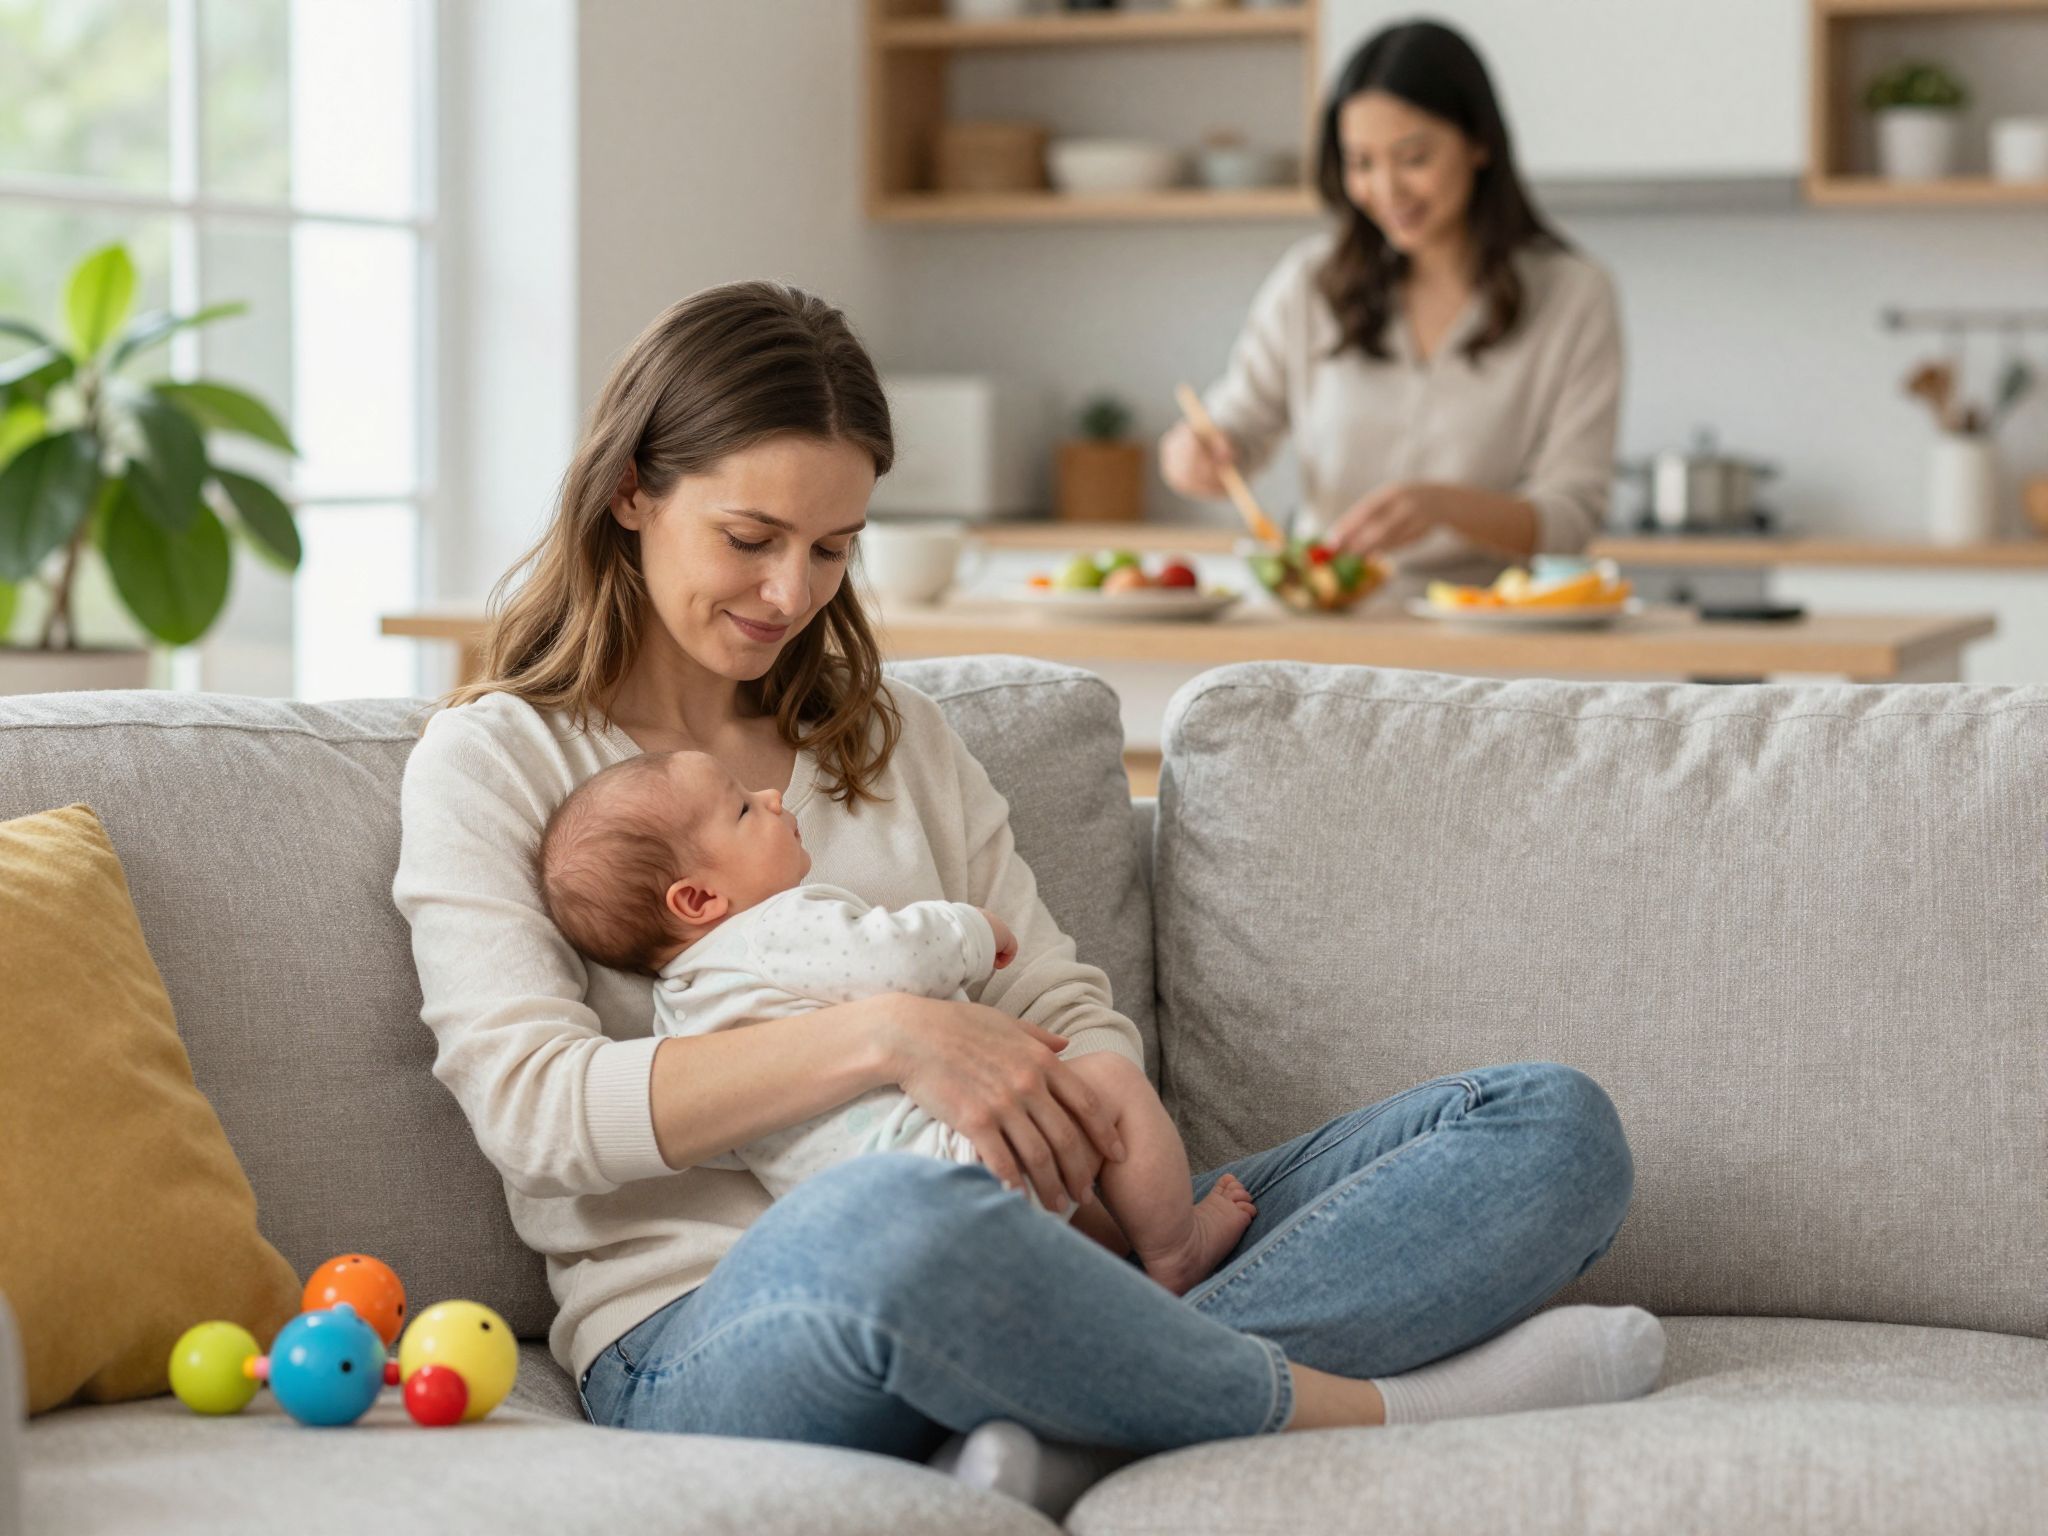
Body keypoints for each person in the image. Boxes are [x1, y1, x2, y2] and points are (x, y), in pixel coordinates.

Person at [391, 278, 1660, 1510]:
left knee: (1545, 1128)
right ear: (631, 491)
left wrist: (1110, 1117)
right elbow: (536, 1110)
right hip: (723, 1323)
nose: (792, 594)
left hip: (1047, 1249)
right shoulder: (500, 758)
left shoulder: (894, 738)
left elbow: (1052, 995)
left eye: (833, 548)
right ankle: (1355, 1410)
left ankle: (1074, 1415)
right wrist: (890, 1036)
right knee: (899, 1222)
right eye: (750, 539)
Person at [530, 745, 1261, 1295]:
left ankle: (1118, 1281)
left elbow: (725, 1146)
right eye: (743, 810)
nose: (771, 797)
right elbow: (896, 957)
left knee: (1076, 1191)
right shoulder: (776, 928)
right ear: (698, 900)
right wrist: (972, 930)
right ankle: (1177, 1252)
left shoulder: (682, 1019)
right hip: (954, 1167)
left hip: (874, 1234)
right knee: (1107, 1087)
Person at [1160, 19, 1625, 592]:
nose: (1386, 190)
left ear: (1479, 142)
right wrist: (1195, 455)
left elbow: (1570, 521)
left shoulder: (1573, 296)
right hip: (1329, 618)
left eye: (1414, 158)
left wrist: (1443, 508)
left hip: (1486, 624)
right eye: (1362, 163)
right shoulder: (1311, 284)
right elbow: (1236, 427)